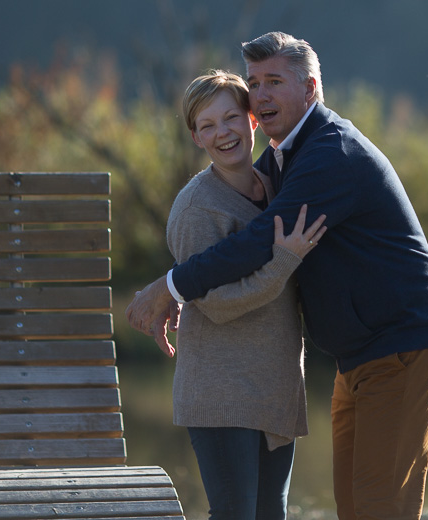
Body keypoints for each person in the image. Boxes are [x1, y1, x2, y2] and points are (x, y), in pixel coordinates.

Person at [129, 32, 428, 520]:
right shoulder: (282, 158)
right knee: (356, 506)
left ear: (310, 88)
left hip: (401, 345)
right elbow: (227, 229)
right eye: (254, 82)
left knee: (380, 507)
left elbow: (259, 240)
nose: (261, 95)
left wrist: (170, 287)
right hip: (360, 354)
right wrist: (179, 286)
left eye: (275, 81)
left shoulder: (328, 154)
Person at [165, 69, 327, 520]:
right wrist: (282, 262)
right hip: (221, 394)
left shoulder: (278, 188)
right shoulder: (196, 208)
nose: (223, 132)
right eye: (207, 125)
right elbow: (214, 304)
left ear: (252, 119)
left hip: (274, 392)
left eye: (231, 117)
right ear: (196, 137)